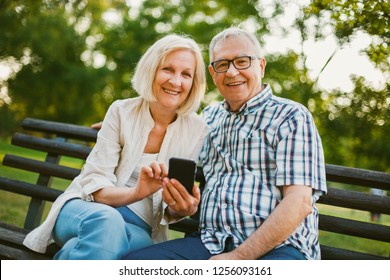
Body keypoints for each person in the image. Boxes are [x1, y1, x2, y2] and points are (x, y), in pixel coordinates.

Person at [124, 27, 327, 260]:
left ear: (260, 66)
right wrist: (128, 123)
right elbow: (165, 128)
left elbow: (299, 202)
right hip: (210, 242)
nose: (231, 72)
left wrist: (238, 258)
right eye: (222, 64)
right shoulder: (207, 119)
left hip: (280, 248)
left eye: (242, 61)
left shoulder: (290, 116)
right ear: (213, 73)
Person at [23, 34, 209, 259]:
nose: (176, 81)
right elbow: (95, 185)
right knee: (107, 224)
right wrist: (137, 192)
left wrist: (181, 209)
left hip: (139, 228)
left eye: (186, 74)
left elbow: (170, 207)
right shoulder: (122, 112)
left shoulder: (197, 129)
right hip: (87, 210)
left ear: (194, 83)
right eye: (168, 69)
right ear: (151, 70)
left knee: (105, 248)